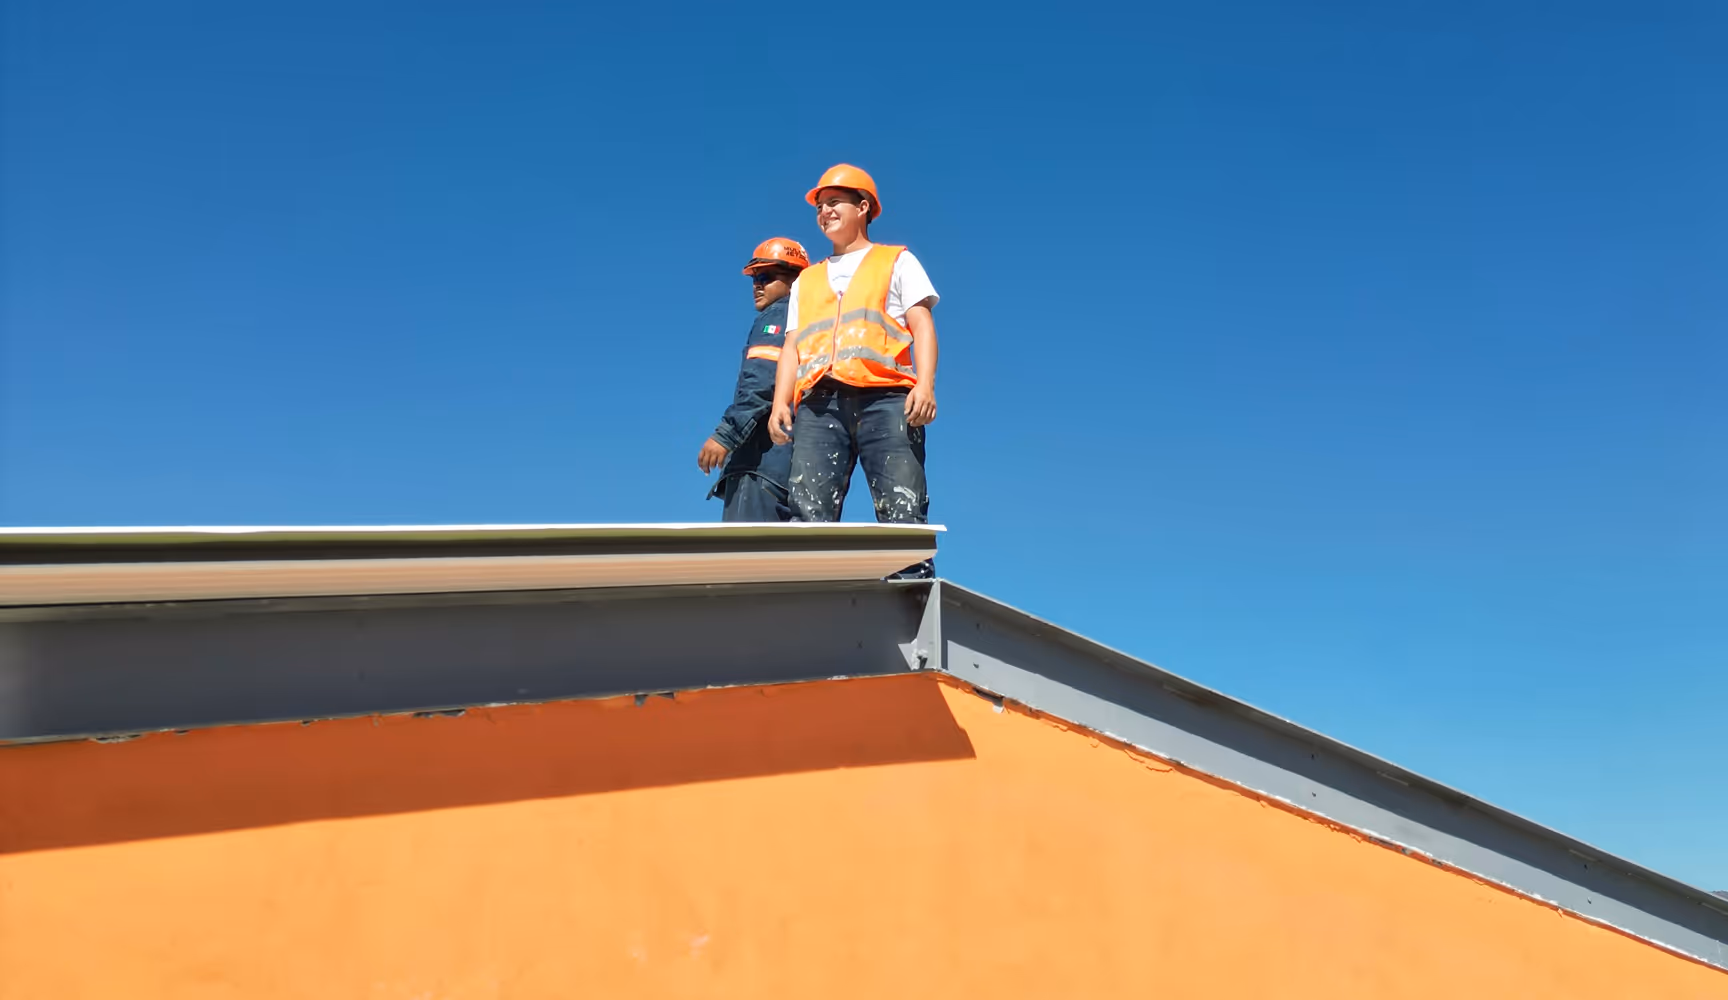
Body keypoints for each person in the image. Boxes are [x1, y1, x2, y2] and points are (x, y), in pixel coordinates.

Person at [768, 164, 939, 578]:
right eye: (820, 206)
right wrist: (780, 402)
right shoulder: (807, 280)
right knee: (809, 510)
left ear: (863, 207)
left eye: (834, 203)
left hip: (887, 400)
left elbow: (921, 325)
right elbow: (792, 345)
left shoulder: (895, 260)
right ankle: (812, 600)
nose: (824, 212)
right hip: (820, 405)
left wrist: (926, 385)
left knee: (902, 507)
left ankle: (909, 599)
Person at [699, 238, 809, 521]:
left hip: (760, 468)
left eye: (767, 276)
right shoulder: (808, 324)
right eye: (754, 278)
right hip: (789, 472)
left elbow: (761, 382)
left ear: (795, 281)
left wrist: (725, 435)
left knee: (746, 562)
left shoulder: (778, 315)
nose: (757, 285)